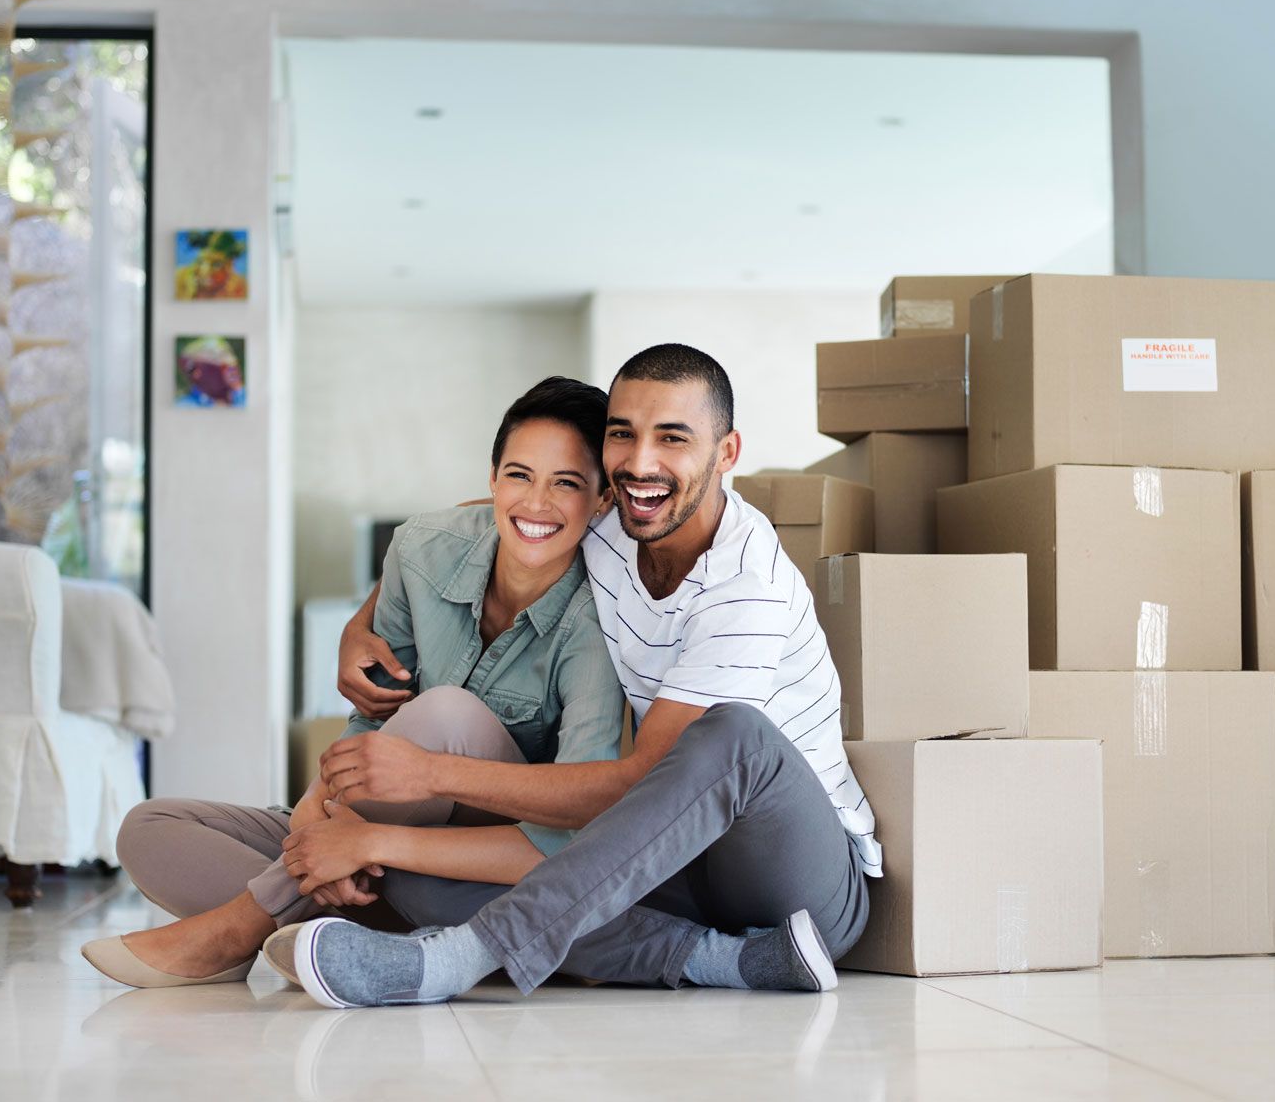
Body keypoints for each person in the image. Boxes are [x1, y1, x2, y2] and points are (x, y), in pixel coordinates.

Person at [293, 343, 881, 1008]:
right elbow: (504, 509)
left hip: (797, 881)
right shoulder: (614, 520)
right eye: (622, 436)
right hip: (687, 864)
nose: (640, 462)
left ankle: (461, 958)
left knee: (731, 734)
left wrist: (425, 779)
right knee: (423, 875)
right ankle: (727, 959)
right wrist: (361, 620)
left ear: (726, 453)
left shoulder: (747, 587)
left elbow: (642, 779)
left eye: (672, 438)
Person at [81, 377, 624, 988]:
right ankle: (349, 927)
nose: (537, 503)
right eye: (520, 475)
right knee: (149, 829)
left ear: (602, 501)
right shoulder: (421, 549)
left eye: (568, 484)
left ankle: (244, 924)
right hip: (390, 840)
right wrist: (319, 822)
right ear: (492, 479)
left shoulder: (603, 613)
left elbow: (573, 831)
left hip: (484, 858)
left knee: (447, 715)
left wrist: (372, 843)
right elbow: (373, 718)